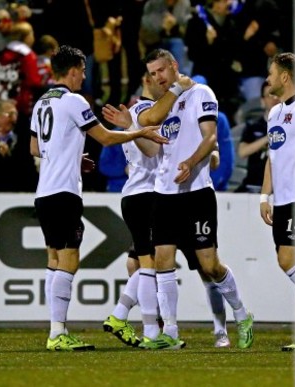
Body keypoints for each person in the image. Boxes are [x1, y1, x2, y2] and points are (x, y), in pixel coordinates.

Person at [105, 48, 254, 350]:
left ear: (174, 66)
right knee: (162, 261)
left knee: (210, 265)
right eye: (153, 73)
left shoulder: (201, 93)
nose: (157, 77)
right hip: (164, 193)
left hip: (197, 192)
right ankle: (170, 331)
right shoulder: (163, 104)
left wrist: (190, 161)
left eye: (161, 70)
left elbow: (210, 137)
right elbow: (150, 134)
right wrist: (135, 126)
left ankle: (241, 313)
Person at [29, 45, 167, 352]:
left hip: (44, 192)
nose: (84, 77)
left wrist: (73, 158)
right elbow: (104, 137)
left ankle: (55, 331)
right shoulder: (73, 100)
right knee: (69, 259)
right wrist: (139, 132)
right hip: (65, 192)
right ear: (75, 70)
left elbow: (35, 149)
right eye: (83, 71)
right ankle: (57, 334)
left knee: (53, 260)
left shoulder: (41, 102)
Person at [257, 53, 295, 352]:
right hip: (284, 200)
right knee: (291, 262)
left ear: (285, 77)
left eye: (272, 73)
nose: (268, 79)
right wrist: (266, 196)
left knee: (290, 259)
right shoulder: (274, 114)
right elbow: (272, 158)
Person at [235, 80, 279, 192]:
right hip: (253, 185)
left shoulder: (290, 126)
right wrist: (267, 138)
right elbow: (242, 152)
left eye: (276, 94)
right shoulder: (253, 127)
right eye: (269, 95)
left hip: (278, 187)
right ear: (262, 101)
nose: (274, 99)